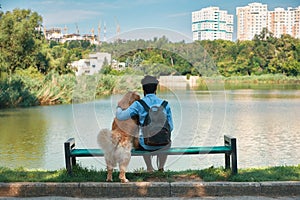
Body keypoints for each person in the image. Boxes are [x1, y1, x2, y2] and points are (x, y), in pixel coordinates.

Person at [116, 75, 174, 172]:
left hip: (146, 145)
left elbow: (120, 116)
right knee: (166, 140)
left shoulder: (139, 104)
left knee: (141, 137)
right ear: (156, 88)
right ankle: (161, 168)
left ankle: (149, 167)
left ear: (143, 89)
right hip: (164, 144)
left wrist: (119, 106)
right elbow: (171, 127)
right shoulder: (165, 104)